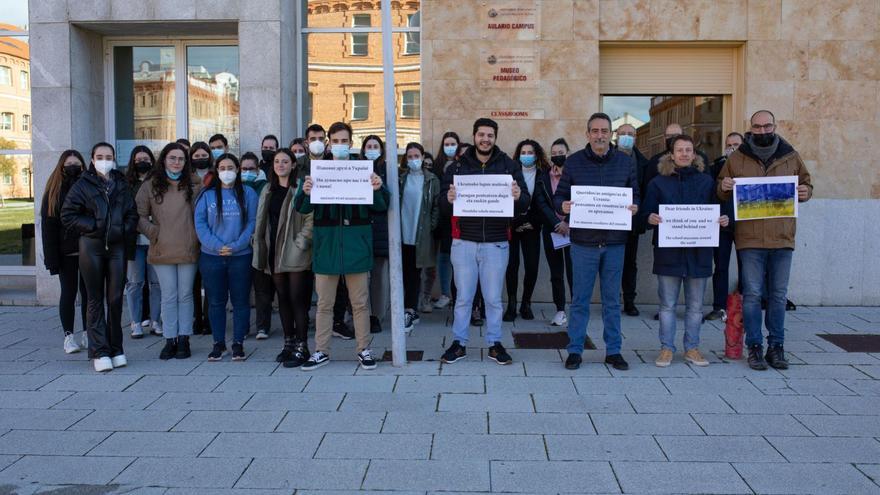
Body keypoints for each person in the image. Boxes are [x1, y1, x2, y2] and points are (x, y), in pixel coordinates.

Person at [718, 109, 813, 371]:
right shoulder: (737, 158)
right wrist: (723, 187)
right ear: (751, 128)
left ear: (775, 125)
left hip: (782, 237)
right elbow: (720, 187)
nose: (762, 131)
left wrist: (805, 192)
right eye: (757, 127)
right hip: (749, 239)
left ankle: (777, 347)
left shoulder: (791, 156)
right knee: (752, 295)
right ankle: (755, 348)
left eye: (766, 126)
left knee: (779, 296)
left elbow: (806, 184)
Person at [295, 122, 387, 371]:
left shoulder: (362, 170)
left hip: (356, 245)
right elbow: (301, 208)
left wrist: (378, 188)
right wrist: (304, 192)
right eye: (334, 141)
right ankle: (321, 351)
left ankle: (364, 349)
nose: (339, 145)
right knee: (324, 304)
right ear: (328, 144)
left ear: (350, 143)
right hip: (327, 246)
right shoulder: (318, 171)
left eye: (343, 141)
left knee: (359, 303)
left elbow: (381, 205)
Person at [439, 118, 529, 365]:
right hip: (464, 242)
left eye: (490, 135)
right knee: (464, 298)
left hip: (496, 242)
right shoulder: (456, 168)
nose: (485, 139)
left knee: (492, 298)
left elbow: (524, 204)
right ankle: (459, 343)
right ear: (475, 136)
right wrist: (448, 198)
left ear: (495, 138)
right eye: (481, 135)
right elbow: (442, 207)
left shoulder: (509, 166)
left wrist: (519, 196)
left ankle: (495, 343)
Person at [555, 112, 639, 371]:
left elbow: (636, 193)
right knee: (580, 300)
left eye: (604, 131)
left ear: (610, 134)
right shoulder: (574, 162)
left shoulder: (625, 163)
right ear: (587, 133)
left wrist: (635, 207)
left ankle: (613, 351)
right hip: (583, 243)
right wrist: (564, 206)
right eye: (595, 131)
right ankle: (575, 350)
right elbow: (559, 197)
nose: (600, 135)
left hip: (614, 243)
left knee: (612, 300)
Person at [641, 135, 729, 367]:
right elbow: (644, 214)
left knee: (696, 307)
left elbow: (719, 210)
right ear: (671, 154)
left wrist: (722, 219)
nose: (684, 154)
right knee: (667, 305)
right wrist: (649, 217)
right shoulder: (658, 183)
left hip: (699, 253)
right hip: (668, 253)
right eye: (679, 150)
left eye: (688, 150)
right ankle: (666, 349)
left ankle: (692, 348)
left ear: (694, 154)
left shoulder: (707, 182)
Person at [61, 142, 138, 372]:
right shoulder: (82, 184)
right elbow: (67, 215)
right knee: (94, 300)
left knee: (115, 300)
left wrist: (122, 229)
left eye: (108, 156)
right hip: (91, 247)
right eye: (100, 156)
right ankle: (99, 351)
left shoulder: (121, 184)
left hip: (116, 248)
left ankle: (116, 348)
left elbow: (132, 213)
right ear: (92, 159)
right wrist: (93, 225)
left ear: (114, 159)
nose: (104, 160)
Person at [136, 142, 202, 360]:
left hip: (187, 247)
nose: (176, 162)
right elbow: (139, 215)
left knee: (185, 295)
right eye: (172, 158)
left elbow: (201, 214)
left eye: (181, 159)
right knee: (168, 295)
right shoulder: (151, 184)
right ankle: (169, 338)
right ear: (163, 159)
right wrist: (154, 233)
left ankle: (184, 338)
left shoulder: (194, 184)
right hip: (162, 248)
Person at [195, 153, 258, 361]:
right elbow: (200, 224)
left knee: (240, 302)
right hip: (212, 257)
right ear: (216, 170)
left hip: (240, 256)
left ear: (238, 169)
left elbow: (252, 222)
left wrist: (236, 245)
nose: (226, 172)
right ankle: (218, 343)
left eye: (230, 167)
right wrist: (216, 245)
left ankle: (238, 342)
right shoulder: (207, 195)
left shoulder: (248, 193)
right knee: (216, 302)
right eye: (222, 168)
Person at [254, 149, 314, 367]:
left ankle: (302, 345)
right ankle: (288, 343)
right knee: (283, 299)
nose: (280, 164)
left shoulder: (300, 188)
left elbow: (310, 217)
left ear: (293, 165)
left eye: (285, 161)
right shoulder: (267, 189)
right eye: (277, 161)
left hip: (295, 250)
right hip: (274, 251)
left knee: (298, 299)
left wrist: (302, 241)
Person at [41, 149, 88, 354]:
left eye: (76, 163)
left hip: (88, 251)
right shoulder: (53, 191)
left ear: (83, 165)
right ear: (62, 166)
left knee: (90, 295)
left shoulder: (89, 186)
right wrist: (51, 259)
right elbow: (48, 227)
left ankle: (89, 332)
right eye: (69, 163)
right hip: (65, 253)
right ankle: (68, 336)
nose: (72, 166)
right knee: (68, 294)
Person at [504, 139, 547, 322]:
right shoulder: (511, 174)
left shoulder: (542, 175)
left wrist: (532, 222)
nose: (526, 156)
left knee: (531, 266)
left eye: (530, 152)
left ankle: (526, 303)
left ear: (536, 155)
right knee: (511, 266)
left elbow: (544, 203)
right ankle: (512, 304)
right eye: (523, 152)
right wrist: (517, 222)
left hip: (532, 227)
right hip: (512, 226)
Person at [399, 142, 440, 332]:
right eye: (410, 157)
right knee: (404, 273)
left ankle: (410, 310)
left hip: (420, 233)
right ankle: (407, 309)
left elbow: (436, 207)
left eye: (417, 156)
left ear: (423, 157)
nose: (413, 160)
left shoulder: (432, 180)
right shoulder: (400, 179)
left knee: (415, 273)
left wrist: (430, 226)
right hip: (402, 233)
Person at [123, 145, 162, 338]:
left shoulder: (158, 182)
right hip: (134, 241)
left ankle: (156, 321)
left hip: (155, 240)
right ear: (132, 162)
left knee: (156, 283)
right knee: (135, 283)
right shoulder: (125, 184)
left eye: (145, 159)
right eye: (138, 160)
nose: (142, 162)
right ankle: (136, 322)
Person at [705, 132, 743, 321]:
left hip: (745, 226)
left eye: (736, 144)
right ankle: (719, 307)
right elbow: (711, 195)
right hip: (722, 225)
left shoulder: (750, 168)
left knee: (747, 267)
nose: (732, 148)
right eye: (729, 144)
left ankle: (743, 306)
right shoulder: (716, 168)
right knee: (720, 267)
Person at [535, 138, 572, 327]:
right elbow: (541, 203)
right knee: (556, 272)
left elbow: (583, 200)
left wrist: (568, 222)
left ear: (568, 152)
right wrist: (558, 222)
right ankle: (560, 310)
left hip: (573, 230)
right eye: (554, 153)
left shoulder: (576, 175)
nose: (558, 156)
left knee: (574, 272)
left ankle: (577, 309)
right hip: (552, 230)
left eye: (561, 152)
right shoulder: (542, 177)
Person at [617, 123, 650, 317]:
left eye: (631, 134)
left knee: (630, 262)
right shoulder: (607, 158)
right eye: (623, 134)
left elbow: (645, 192)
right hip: (608, 221)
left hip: (632, 221)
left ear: (636, 137)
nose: (627, 137)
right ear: (616, 136)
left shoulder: (643, 163)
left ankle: (629, 300)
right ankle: (612, 299)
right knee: (610, 262)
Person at [361, 135, 392, 333]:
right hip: (360, 230)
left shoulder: (389, 171)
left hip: (380, 230)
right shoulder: (355, 169)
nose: (372, 149)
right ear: (363, 150)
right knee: (361, 279)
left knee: (379, 279)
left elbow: (388, 199)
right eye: (369, 146)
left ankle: (376, 316)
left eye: (376, 146)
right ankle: (361, 314)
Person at [240, 152, 273, 339]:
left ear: (258, 169)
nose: (246, 172)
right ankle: (243, 327)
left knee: (262, 288)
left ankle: (262, 326)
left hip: (260, 241)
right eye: (243, 169)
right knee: (242, 289)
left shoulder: (265, 187)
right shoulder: (234, 187)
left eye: (250, 169)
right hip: (240, 244)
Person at [428, 131, 461, 311]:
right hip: (442, 218)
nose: (450, 147)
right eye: (446, 144)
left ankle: (457, 294)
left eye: (453, 143)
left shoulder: (464, 164)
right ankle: (445, 293)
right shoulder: (437, 166)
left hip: (460, 218)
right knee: (443, 256)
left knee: (459, 258)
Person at [188, 142, 214, 334]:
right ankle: (197, 317)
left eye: (203, 155)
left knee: (210, 281)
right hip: (189, 233)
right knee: (193, 281)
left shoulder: (215, 176)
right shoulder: (186, 177)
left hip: (211, 233)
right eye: (196, 156)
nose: (200, 158)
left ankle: (209, 318)